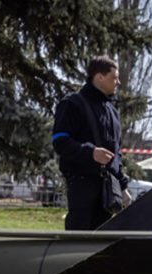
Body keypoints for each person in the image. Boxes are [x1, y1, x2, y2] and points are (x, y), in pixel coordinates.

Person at [52, 56, 132, 230]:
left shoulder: (112, 111)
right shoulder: (72, 104)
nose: (118, 82)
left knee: (102, 239)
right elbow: (60, 141)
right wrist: (91, 153)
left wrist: (123, 186)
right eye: (114, 77)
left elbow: (116, 153)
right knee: (78, 238)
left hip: (108, 188)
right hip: (81, 182)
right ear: (99, 77)